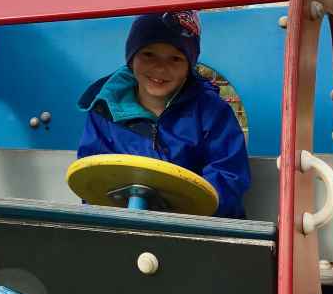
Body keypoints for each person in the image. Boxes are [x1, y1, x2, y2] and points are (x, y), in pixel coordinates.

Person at [76, 11, 251, 218]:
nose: (160, 67)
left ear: (189, 66)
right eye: (149, 54)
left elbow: (228, 173)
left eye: (175, 58)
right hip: (125, 223)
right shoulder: (104, 110)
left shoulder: (211, 111)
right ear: (131, 59)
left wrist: (183, 213)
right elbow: (93, 175)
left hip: (198, 226)